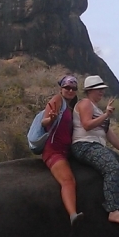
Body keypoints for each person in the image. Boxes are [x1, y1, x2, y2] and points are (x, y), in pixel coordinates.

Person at [71, 75, 119, 224]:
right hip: (84, 144)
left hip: (96, 145)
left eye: (102, 90)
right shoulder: (85, 103)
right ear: (90, 90)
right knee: (112, 167)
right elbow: (86, 125)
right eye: (98, 90)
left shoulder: (98, 110)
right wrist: (106, 114)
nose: (101, 92)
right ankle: (113, 210)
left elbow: (110, 135)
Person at [41, 75, 83, 224]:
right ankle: (73, 215)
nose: (70, 90)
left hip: (67, 151)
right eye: (67, 87)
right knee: (68, 181)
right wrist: (51, 119)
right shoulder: (57, 100)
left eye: (73, 88)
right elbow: (44, 121)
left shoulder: (72, 107)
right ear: (61, 89)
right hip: (54, 151)